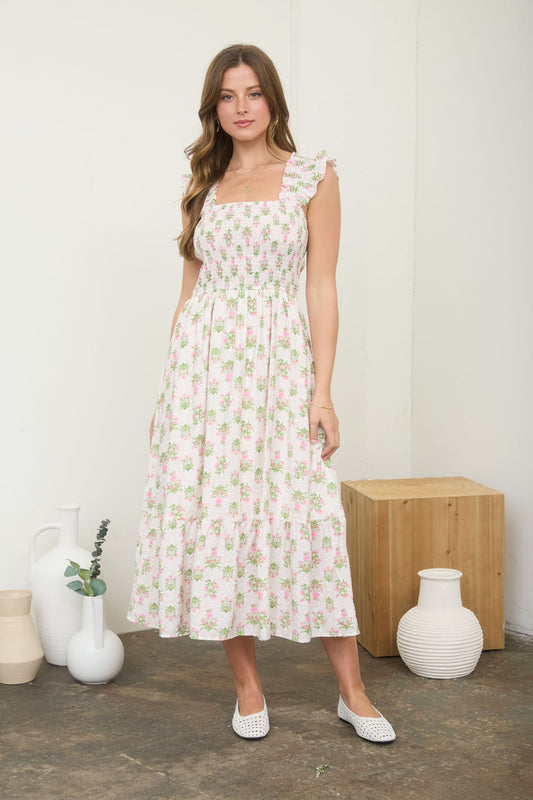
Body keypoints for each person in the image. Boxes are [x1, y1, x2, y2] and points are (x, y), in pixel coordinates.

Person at [128, 43, 395, 744]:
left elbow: (321, 285)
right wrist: (169, 392)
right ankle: (248, 689)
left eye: (252, 93)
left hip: (278, 364)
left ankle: (352, 694)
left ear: (273, 100)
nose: (240, 108)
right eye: (226, 96)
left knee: (307, 513)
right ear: (212, 107)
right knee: (220, 518)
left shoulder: (312, 176)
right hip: (203, 371)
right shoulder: (204, 181)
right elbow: (188, 292)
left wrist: (323, 391)